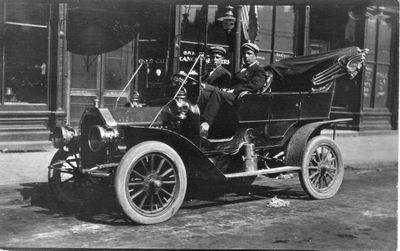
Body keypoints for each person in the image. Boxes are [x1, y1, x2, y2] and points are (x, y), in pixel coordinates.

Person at [200, 42, 267, 137]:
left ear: (255, 56)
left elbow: (255, 85)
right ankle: (196, 120)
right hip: (232, 95)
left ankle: (206, 125)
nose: (245, 56)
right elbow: (231, 83)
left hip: (241, 99)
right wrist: (226, 89)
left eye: (249, 53)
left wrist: (235, 90)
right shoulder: (241, 70)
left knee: (218, 94)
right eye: (244, 54)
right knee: (204, 93)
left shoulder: (258, 70)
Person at [198, 46, 232, 111]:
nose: (214, 59)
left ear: (222, 59)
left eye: (217, 57)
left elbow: (221, 90)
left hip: (212, 99)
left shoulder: (225, 74)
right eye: (213, 57)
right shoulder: (206, 72)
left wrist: (205, 86)